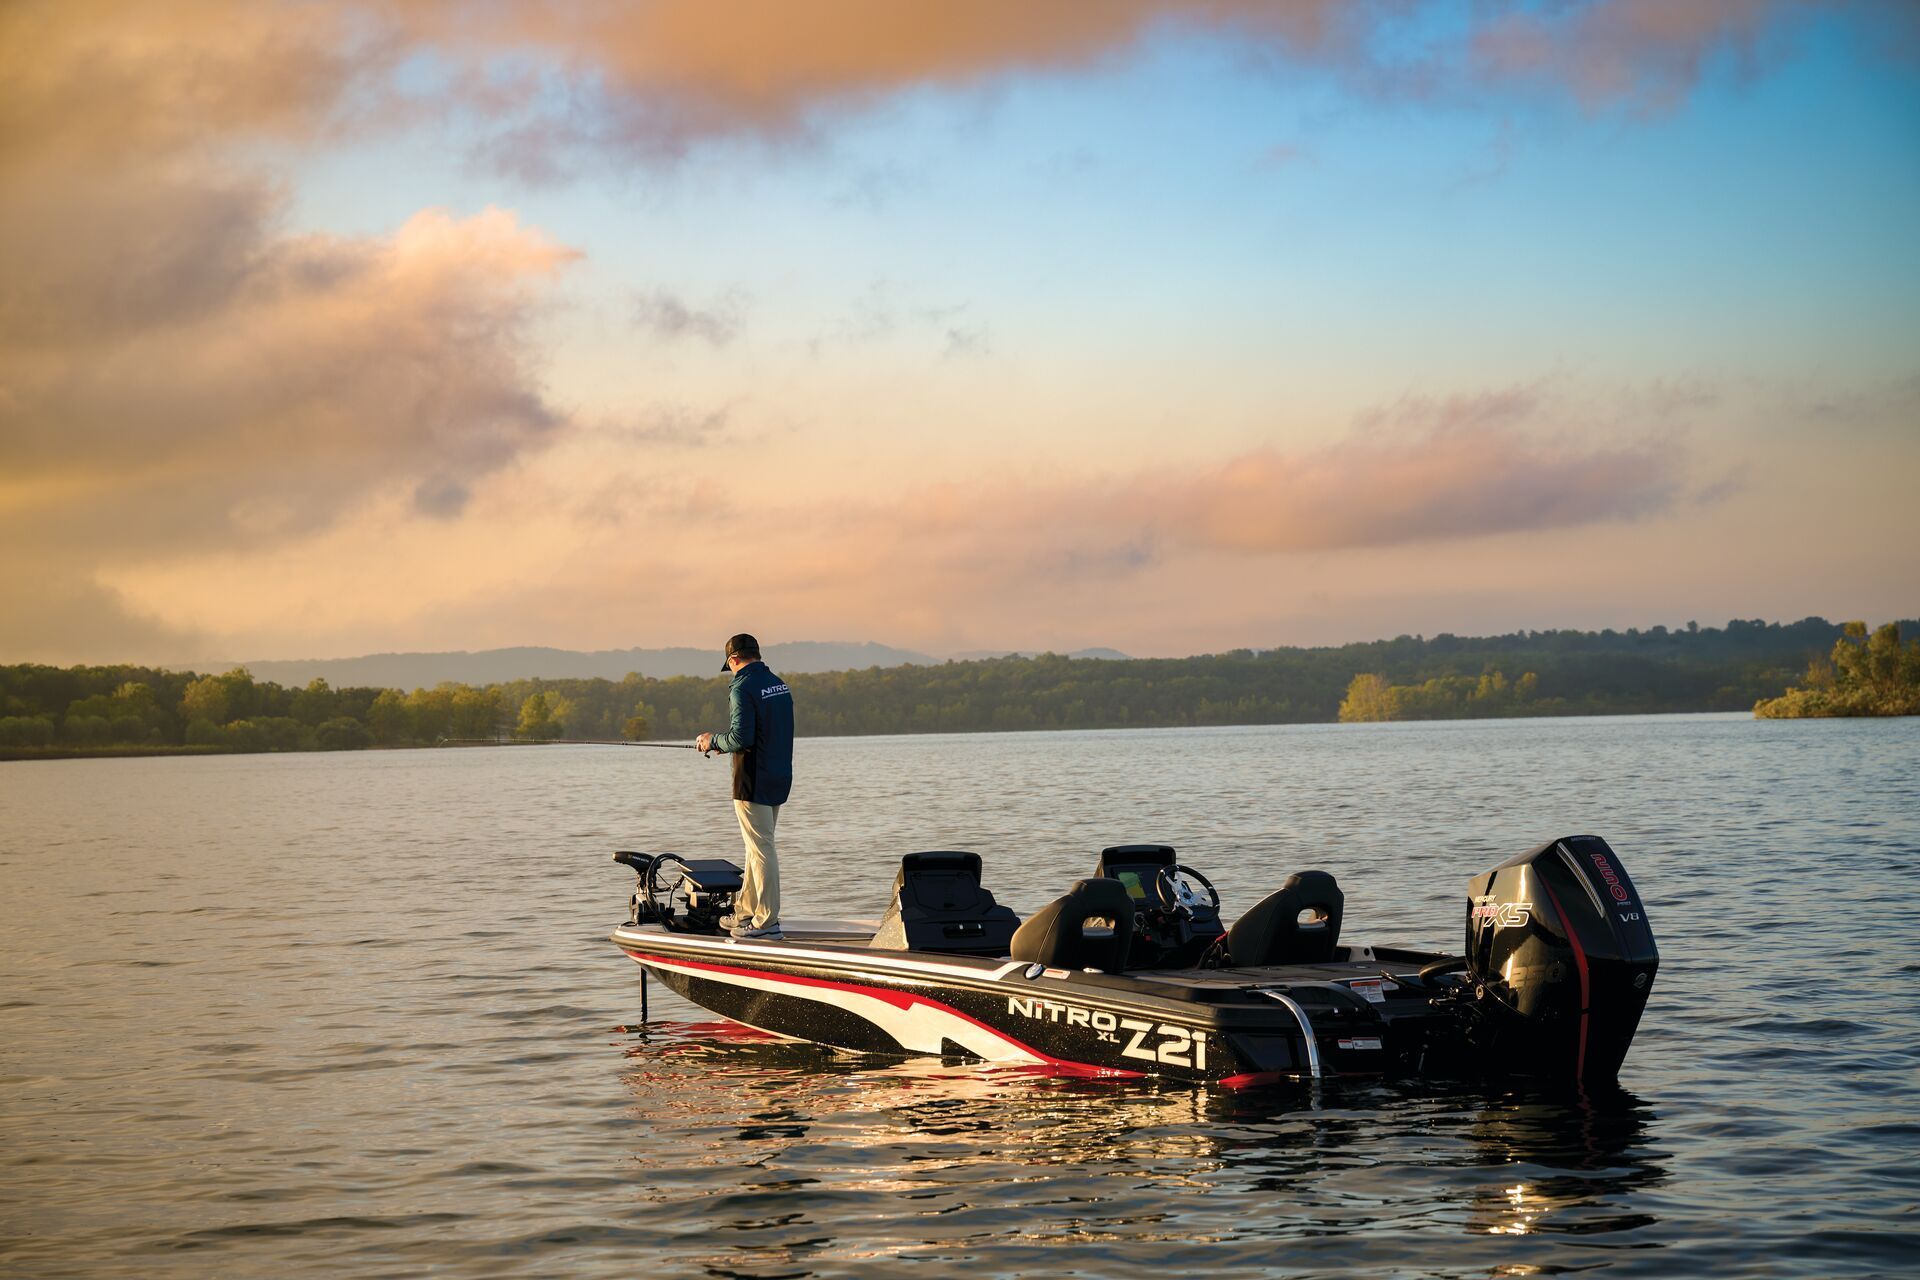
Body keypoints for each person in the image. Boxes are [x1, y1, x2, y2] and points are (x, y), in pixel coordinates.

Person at [696, 633, 793, 939]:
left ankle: (766, 923)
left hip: (752, 780)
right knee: (756, 846)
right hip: (779, 777)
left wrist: (712, 741)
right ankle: (744, 913)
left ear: (733, 660)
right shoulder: (778, 683)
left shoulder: (742, 687)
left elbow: (741, 738)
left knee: (762, 848)